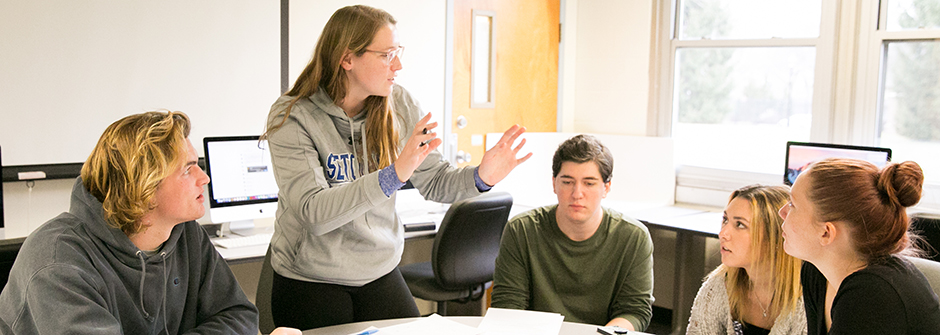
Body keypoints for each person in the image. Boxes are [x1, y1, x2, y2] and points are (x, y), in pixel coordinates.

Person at [263, 5, 531, 330]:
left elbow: (435, 181)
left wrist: (481, 176)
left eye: (398, 52)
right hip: (311, 278)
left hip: (379, 270)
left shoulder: (399, 104)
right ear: (347, 59)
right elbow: (314, 213)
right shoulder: (293, 116)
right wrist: (393, 176)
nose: (399, 65)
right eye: (388, 54)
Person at [0, 111, 299, 335]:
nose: (204, 179)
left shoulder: (184, 235)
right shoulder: (58, 263)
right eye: (187, 169)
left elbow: (238, 315)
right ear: (144, 186)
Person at [491, 134, 653, 331]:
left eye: (589, 183)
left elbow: (635, 311)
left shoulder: (634, 237)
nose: (577, 193)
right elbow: (508, 308)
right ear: (554, 184)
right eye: (567, 182)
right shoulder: (521, 230)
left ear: (606, 188)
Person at [778, 158, 940, 334]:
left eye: (793, 204)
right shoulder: (816, 273)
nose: (782, 212)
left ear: (826, 232)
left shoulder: (872, 296)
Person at [687, 185, 806, 335]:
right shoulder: (718, 286)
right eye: (725, 220)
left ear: (775, 237)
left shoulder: (807, 300)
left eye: (740, 225)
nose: (723, 233)